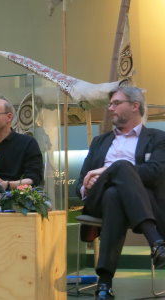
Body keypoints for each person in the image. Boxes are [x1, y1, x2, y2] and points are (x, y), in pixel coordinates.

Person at [76, 86, 165, 299]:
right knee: (121, 168)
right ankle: (157, 242)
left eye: (116, 103)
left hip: (135, 200)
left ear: (135, 106)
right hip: (97, 198)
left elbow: (156, 172)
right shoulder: (100, 141)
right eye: (110, 104)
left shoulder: (157, 138)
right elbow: (80, 181)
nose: (110, 108)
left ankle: (104, 283)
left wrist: (109, 170)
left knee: (115, 193)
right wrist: (86, 186)